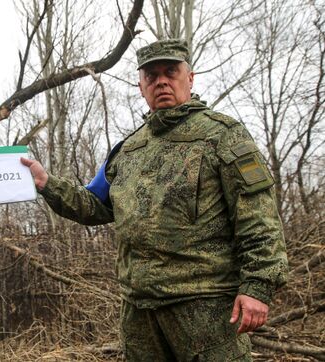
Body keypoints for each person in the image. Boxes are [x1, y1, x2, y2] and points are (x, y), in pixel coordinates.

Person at [21, 39, 288, 361]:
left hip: (205, 307)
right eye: (151, 75)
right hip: (139, 310)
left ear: (190, 78)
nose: (161, 81)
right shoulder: (129, 149)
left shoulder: (222, 135)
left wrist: (257, 286)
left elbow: (257, 217)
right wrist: (46, 182)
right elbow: (95, 206)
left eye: (170, 72)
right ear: (140, 85)